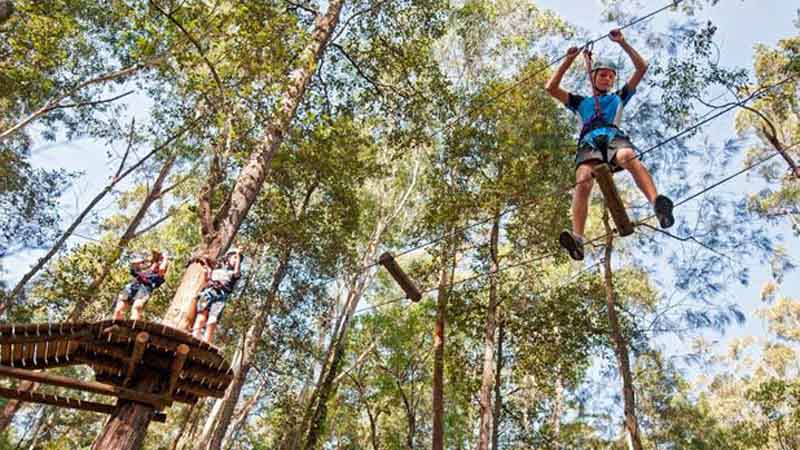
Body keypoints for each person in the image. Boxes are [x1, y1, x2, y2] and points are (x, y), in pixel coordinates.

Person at [545, 29, 675, 260]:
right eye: (602, 75)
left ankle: (658, 203)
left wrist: (623, 42)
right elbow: (551, 88)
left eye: (610, 76)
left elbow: (641, 68)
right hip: (589, 141)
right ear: (593, 77)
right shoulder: (580, 102)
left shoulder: (618, 97)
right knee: (583, 180)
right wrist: (568, 61)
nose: (606, 79)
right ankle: (577, 238)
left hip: (613, 137)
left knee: (627, 156)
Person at [192, 248, 242, 343]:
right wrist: (206, 267)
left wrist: (238, 255)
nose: (236, 260)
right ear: (228, 258)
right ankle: (195, 335)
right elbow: (208, 277)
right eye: (234, 258)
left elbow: (236, 272)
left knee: (212, 319)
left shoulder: (233, 273)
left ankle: (207, 341)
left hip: (221, 296)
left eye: (238, 259)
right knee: (202, 315)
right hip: (209, 292)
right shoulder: (217, 270)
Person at [114, 249, 169, 320]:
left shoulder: (158, 275)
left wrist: (165, 257)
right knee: (118, 310)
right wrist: (146, 260)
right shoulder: (144, 267)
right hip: (132, 286)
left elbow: (162, 269)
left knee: (137, 307)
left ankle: (133, 328)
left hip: (145, 289)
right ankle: (115, 324)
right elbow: (133, 264)